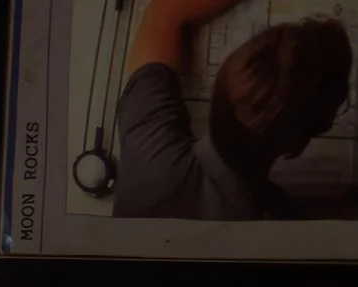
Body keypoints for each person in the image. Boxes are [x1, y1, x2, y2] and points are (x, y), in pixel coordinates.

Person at [112, 0, 352, 216]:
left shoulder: (149, 150)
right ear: (295, 147)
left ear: (219, 86)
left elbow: (162, 12)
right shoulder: (278, 223)